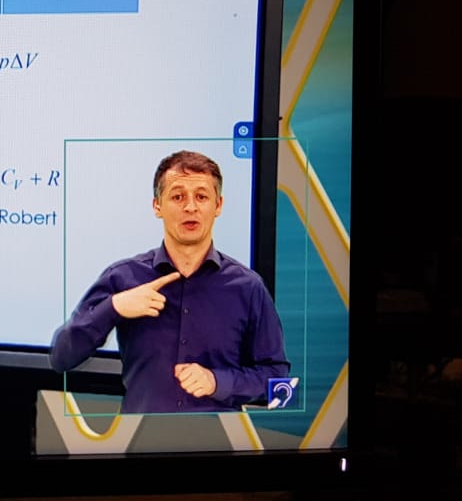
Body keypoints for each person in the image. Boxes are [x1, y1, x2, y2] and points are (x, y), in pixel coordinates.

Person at [49, 150, 289, 413]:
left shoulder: (248, 288)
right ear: (157, 206)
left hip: (218, 436)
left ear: (218, 206)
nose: (190, 207)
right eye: (177, 197)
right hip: (140, 436)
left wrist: (218, 382)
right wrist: (114, 307)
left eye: (201, 197)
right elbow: (61, 357)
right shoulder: (123, 278)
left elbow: (279, 386)